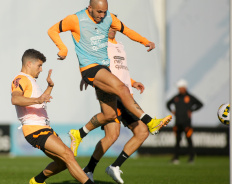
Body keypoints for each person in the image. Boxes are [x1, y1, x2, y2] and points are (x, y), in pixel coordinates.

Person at [48, 0, 171, 143]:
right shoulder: (75, 19)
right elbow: (52, 30)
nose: (102, 15)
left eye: (104, 11)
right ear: (90, 8)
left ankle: (79, 133)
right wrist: (63, 49)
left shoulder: (109, 18)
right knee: (122, 88)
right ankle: (150, 122)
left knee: (109, 114)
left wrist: (144, 41)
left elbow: (127, 30)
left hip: (103, 69)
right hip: (90, 69)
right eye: (99, 12)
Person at [69, 26, 152, 183]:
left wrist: (132, 82)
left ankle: (98, 168)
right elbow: (90, 63)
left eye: (114, 26)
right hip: (111, 92)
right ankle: (82, 140)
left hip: (125, 93)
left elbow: (120, 71)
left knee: (139, 132)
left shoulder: (119, 45)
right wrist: (85, 76)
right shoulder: (101, 45)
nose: (112, 28)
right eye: (109, 25)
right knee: (116, 133)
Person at [11, 49, 95, 184]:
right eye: (39, 65)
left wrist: (50, 87)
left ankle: (37, 181)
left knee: (62, 162)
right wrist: (38, 100)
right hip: (34, 129)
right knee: (68, 155)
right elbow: (15, 99)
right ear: (29, 64)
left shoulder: (30, 80)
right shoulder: (20, 79)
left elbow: (38, 100)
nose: (41, 69)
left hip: (43, 128)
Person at [166, 79, 203, 164]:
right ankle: (176, 158)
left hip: (187, 123)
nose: (179, 89)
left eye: (180, 87)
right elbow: (168, 103)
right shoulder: (176, 97)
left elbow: (200, 104)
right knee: (177, 140)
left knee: (189, 140)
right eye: (178, 88)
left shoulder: (190, 97)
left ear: (184, 88)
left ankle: (191, 158)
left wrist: (192, 110)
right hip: (177, 122)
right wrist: (172, 111)